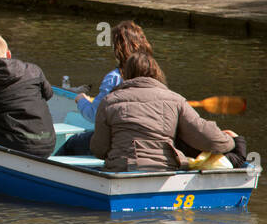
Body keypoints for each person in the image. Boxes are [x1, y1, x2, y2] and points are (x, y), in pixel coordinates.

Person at [90, 52, 234, 172]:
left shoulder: (109, 101)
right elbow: (207, 137)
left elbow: (99, 149)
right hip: (166, 168)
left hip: (123, 169)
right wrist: (231, 141)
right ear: (156, 73)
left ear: (126, 75)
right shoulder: (176, 100)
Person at [57, 20, 154, 156]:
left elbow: (94, 115)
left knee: (71, 143)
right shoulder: (153, 75)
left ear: (117, 48)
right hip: (146, 140)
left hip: (118, 140)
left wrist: (81, 100)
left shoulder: (114, 78)